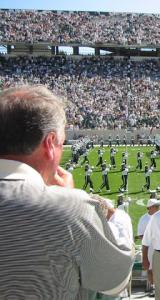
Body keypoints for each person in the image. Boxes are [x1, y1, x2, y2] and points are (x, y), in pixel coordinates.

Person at [0, 85, 134, 298]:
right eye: (62, 143)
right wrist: (111, 214)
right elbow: (116, 281)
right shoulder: (72, 207)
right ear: (50, 143)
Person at [137, 198, 160, 295]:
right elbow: (140, 235)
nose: (158, 208)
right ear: (150, 207)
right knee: (150, 268)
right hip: (149, 247)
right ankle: (153, 287)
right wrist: (151, 239)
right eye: (156, 206)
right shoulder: (143, 219)